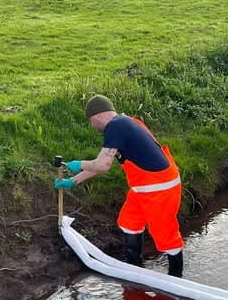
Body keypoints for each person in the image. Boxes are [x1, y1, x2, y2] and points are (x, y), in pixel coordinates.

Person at [55, 95, 184, 277]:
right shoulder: (125, 123)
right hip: (142, 188)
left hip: (160, 188)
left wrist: (80, 163)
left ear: (96, 116)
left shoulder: (115, 127)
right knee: (129, 222)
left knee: (165, 233)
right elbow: (103, 162)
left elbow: (102, 165)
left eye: (91, 122)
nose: (93, 127)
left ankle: (176, 277)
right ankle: (134, 268)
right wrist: (74, 180)